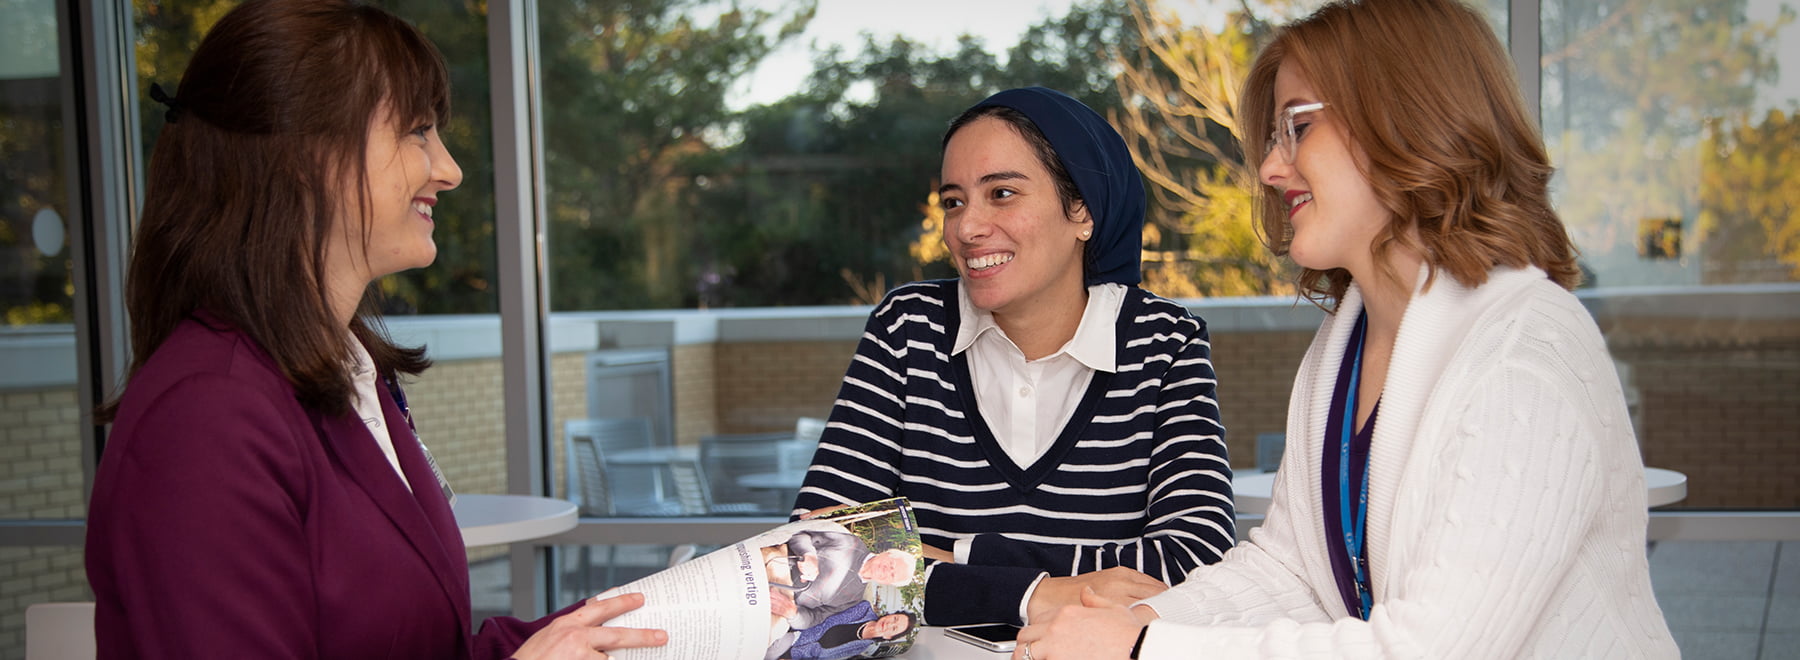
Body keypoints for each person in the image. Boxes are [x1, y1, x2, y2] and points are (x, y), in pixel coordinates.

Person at [1011, 1, 1680, 658]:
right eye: (1274, 137)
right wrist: (1136, 617)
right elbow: (1290, 573)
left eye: (1297, 126)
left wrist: (1145, 646)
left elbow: (1433, 648)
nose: (1271, 169)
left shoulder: (1525, 351)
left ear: (1408, 118)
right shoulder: (1344, 347)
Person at [82, 2, 666, 658]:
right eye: (418, 132)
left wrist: (627, 625)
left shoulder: (349, 375)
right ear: (306, 152)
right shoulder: (204, 417)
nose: (449, 169)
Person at [793, 86, 1236, 627]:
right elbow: (817, 558)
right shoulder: (906, 327)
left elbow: (1195, 563)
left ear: (1084, 213)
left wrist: (952, 555)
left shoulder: (1164, 340)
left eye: (1001, 193)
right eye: (953, 201)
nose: (966, 228)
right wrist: (1039, 594)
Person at [766, 601, 917, 660]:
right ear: (890, 615)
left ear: (889, 636)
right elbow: (824, 613)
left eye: (894, 628)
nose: (890, 624)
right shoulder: (863, 609)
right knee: (771, 649)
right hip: (795, 632)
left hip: (798, 656)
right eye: (894, 619)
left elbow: (824, 657)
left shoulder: (863, 647)